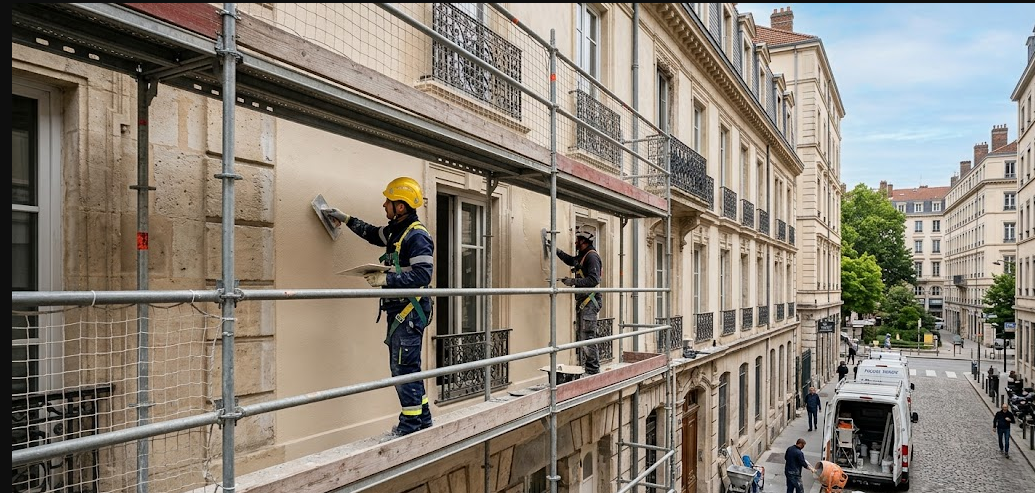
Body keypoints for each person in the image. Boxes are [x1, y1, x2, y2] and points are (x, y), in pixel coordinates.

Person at [325, 176, 434, 437]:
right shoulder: (397, 231)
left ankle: (409, 426)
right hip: (401, 311)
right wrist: (347, 219)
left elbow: (423, 275)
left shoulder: (417, 235)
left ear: (402, 206)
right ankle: (424, 419)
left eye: (389, 201)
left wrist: (386, 278)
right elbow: (374, 234)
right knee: (409, 368)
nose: (384, 204)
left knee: (403, 369)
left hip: (409, 312)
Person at [552, 230, 603, 375]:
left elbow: (594, 280)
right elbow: (571, 261)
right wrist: (556, 251)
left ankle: (593, 370)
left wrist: (572, 281)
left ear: (584, 241)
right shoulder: (583, 256)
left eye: (577, 240)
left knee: (587, 334)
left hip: (590, 301)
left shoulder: (592, 257)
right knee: (583, 334)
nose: (575, 242)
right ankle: (589, 367)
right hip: (585, 301)